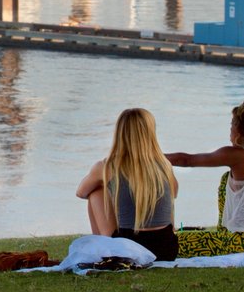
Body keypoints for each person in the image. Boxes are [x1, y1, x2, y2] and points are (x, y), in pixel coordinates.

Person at [165, 97, 244, 257]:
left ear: (241, 129)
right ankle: (223, 233)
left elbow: (186, 160)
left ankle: (223, 234)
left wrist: (145, 156)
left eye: (232, 124)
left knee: (170, 243)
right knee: (229, 177)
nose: (230, 129)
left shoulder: (238, 155)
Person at [76, 108, 179, 261]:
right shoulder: (164, 165)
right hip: (166, 249)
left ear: (120, 134)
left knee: (96, 193)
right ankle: (108, 247)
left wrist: (109, 186)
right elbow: (174, 194)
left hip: (128, 250)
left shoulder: (107, 166)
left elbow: (81, 192)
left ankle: (103, 250)